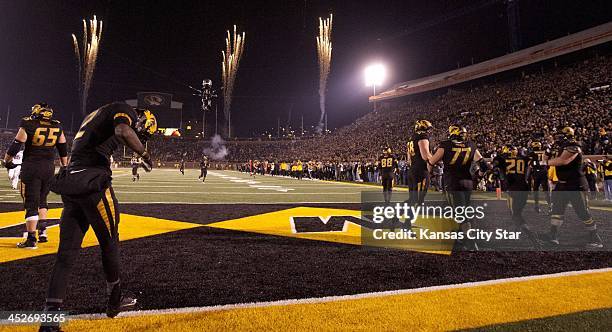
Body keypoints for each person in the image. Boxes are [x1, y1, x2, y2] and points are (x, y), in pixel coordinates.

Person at [40, 103, 156, 331]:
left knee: (65, 255)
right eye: (141, 130)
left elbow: (113, 135)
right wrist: (144, 153)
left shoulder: (100, 113)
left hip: (72, 181)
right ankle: (115, 302)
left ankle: (49, 321)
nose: (138, 132)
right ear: (142, 118)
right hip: (93, 182)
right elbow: (123, 131)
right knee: (110, 243)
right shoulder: (126, 112)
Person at [3, 103, 68, 249]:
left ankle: (31, 239)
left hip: (32, 167)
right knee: (43, 199)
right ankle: (43, 231)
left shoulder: (29, 123)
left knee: (31, 202)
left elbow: (16, 145)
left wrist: (7, 160)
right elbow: (63, 147)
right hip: (49, 168)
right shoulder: (57, 125)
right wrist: (64, 166)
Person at [541, 127, 602, 248]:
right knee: (557, 211)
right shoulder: (561, 147)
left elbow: (563, 161)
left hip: (576, 184)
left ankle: (595, 237)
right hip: (562, 183)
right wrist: (548, 151)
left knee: (582, 212)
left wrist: (544, 163)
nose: (557, 138)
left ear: (566, 135)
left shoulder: (574, 146)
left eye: (559, 135)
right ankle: (553, 236)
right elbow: (545, 158)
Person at [429, 125, 487, 251]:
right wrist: (479, 176)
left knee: (459, 213)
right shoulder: (471, 145)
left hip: (452, 182)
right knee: (463, 209)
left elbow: (432, 161)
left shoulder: (446, 145)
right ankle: (462, 236)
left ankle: (470, 241)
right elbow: (483, 165)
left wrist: (430, 174)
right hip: (467, 182)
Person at [494, 146, 540, 248]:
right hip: (524, 188)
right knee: (517, 212)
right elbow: (532, 166)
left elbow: (500, 173)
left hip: (513, 189)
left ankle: (531, 236)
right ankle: (516, 233)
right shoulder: (524, 158)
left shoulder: (502, 159)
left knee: (515, 214)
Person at [407, 120, 432, 205]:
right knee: (418, 200)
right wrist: (436, 161)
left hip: (412, 169)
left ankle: (401, 215)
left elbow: (409, 159)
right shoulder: (422, 136)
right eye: (427, 129)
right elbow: (426, 156)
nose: (428, 132)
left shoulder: (411, 138)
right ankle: (398, 214)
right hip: (420, 170)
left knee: (412, 199)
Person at [527, 141, 551, 213]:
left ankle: (536, 206)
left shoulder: (532, 153)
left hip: (536, 173)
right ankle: (550, 206)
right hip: (543, 172)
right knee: (546, 190)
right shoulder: (544, 152)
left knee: (535, 190)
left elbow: (529, 161)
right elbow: (549, 157)